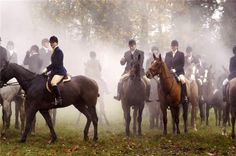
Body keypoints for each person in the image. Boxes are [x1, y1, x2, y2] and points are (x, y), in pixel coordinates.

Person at [43, 36, 67, 105]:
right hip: (55, 71)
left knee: (53, 83)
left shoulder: (59, 51)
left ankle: (59, 99)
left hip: (60, 72)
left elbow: (55, 64)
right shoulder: (54, 51)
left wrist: (47, 69)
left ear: (56, 42)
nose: (51, 44)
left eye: (52, 43)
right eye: (50, 43)